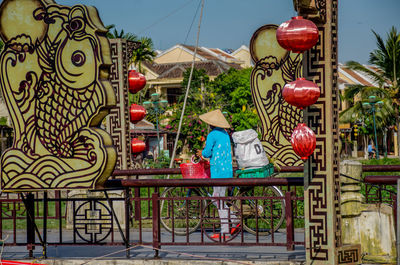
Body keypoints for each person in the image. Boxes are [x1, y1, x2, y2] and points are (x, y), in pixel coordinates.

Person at [196, 109, 239, 240]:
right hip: (227, 171)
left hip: (218, 171)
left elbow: (207, 153)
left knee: (217, 199)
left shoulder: (212, 135)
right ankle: (234, 220)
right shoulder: (225, 134)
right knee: (219, 199)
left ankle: (225, 231)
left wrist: (200, 153)